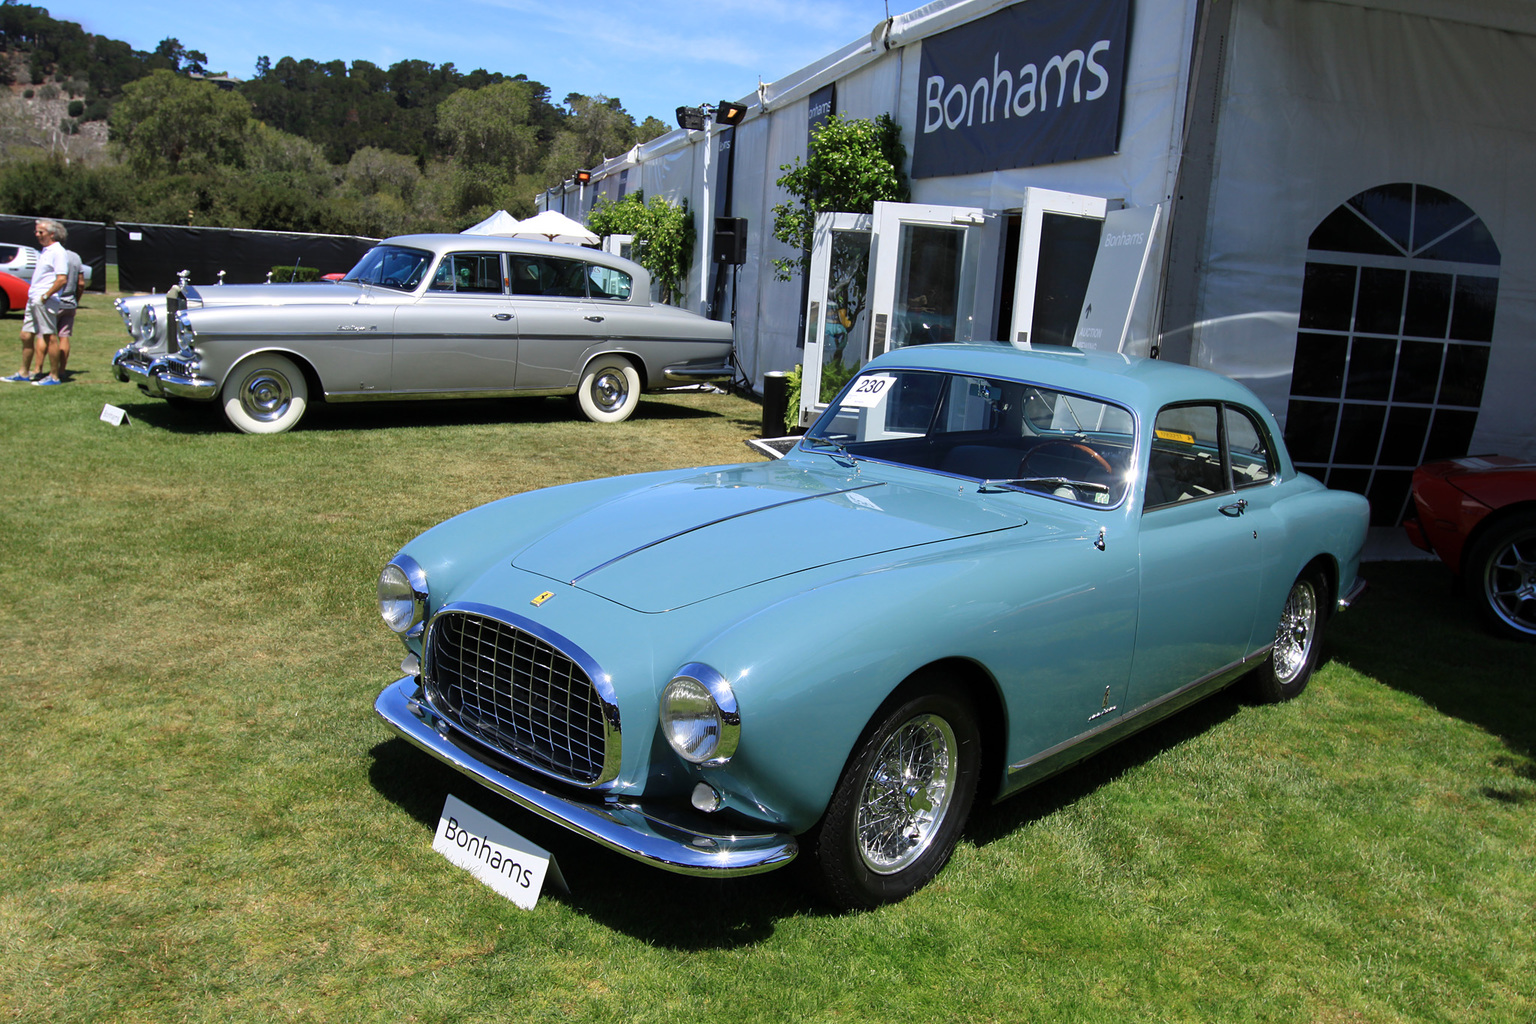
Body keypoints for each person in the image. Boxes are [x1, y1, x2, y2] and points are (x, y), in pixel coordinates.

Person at [4, 219, 69, 385]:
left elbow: (62, 279)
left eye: (41, 232)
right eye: (37, 232)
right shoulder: (45, 251)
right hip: (34, 299)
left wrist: (46, 295)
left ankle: (54, 376)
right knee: (25, 335)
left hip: (45, 300)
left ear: (52, 234)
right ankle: (23, 372)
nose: (37, 235)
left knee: (49, 337)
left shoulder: (58, 252)